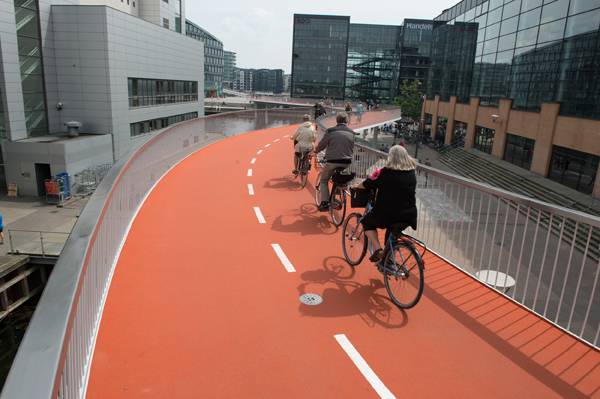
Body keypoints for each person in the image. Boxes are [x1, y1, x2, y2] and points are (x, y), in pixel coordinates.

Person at [352, 145, 418, 262]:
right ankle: (389, 261)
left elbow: (367, 184)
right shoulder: (412, 173)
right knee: (392, 233)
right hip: (408, 215)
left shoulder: (384, 172)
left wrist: (356, 186)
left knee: (366, 222)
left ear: (390, 157)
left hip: (387, 214)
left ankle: (378, 250)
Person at [314, 112, 355, 211]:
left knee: (324, 181)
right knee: (339, 178)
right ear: (347, 121)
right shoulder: (352, 132)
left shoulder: (330, 131)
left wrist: (315, 151)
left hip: (333, 161)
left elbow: (322, 145)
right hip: (347, 162)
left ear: (337, 121)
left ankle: (324, 203)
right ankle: (336, 194)